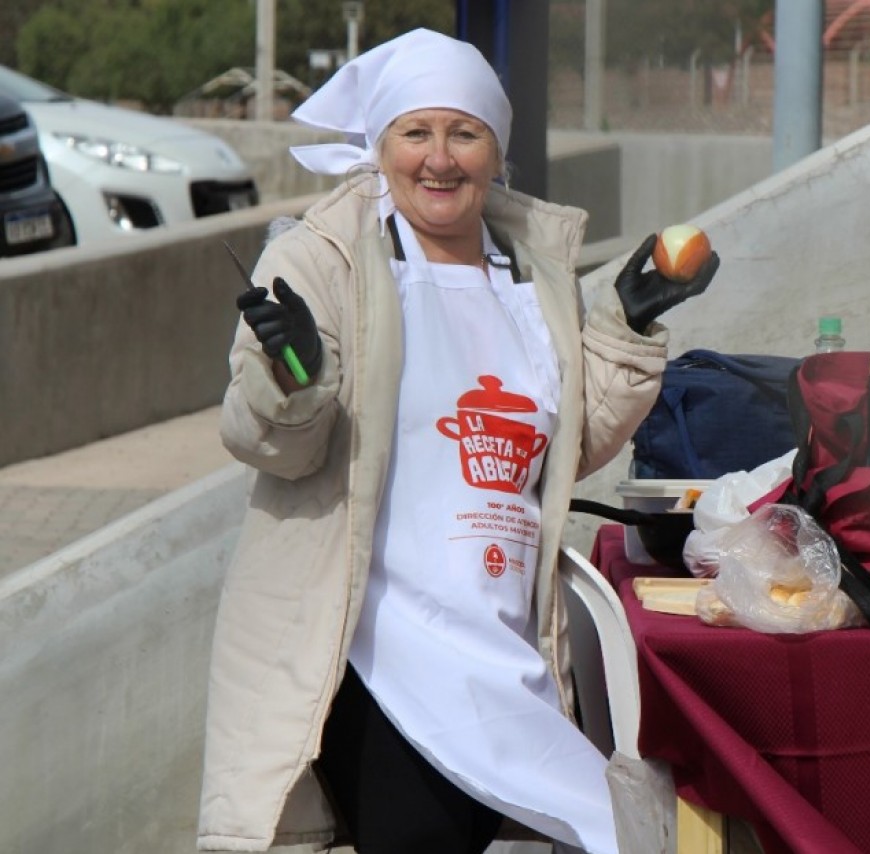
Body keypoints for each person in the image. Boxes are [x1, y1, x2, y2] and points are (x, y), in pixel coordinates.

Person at [196, 28, 718, 854]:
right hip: (376, 644)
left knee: (617, 834)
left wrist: (627, 327)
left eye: (464, 133)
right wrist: (290, 376)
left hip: (503, 643)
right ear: (381, 146)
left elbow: (561, 455)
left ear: (496, 150)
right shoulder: (317, 263)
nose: (440, 159)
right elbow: (273, 447)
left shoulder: (533, 275)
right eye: (415, 133)